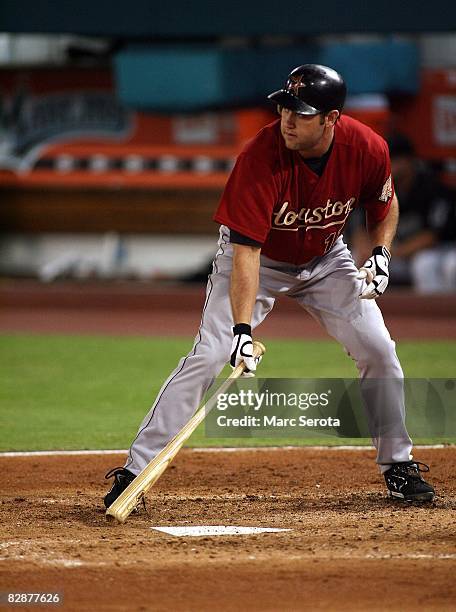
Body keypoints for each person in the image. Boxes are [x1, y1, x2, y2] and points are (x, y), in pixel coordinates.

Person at [104, 64, 435, 507]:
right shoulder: (259, 157)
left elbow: (384, 203)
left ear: (331, 119)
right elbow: (247, 255)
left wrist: (380, 253)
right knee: (210, 356)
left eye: (301, 112)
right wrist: (242, 332)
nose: (288, 120)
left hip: (327, 258)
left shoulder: (367, 148)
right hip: (260, 260)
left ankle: (398, 465)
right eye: (284, 109)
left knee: (379, 348)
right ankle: (135, 470)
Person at [352, 133, 456, 292]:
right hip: (397, 254)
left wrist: (386, 253)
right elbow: (361, 227)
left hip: (439, 250)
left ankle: (437, 316)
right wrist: (364, 248)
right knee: (352, 260)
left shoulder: (430, 189)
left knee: (427, 265)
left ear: (408, 161)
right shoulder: (380, 188)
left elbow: (432, 236)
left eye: (392, 160)